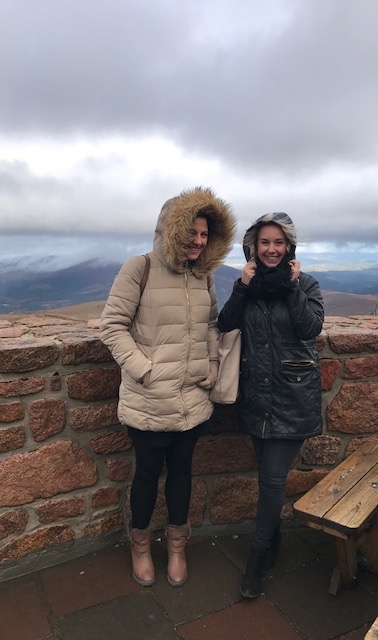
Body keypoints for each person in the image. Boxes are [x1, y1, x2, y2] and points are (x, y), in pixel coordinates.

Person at [100, 186, 236, 588]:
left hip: (193, 399)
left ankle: (176, 545)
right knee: (146, 475)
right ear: (170, 230)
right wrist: (145, 370)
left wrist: (211, 367)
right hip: (148, 400)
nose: (197, 241)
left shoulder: (204, 276)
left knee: (181, 473)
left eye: (204, 234)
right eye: (191, 232)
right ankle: (140, 544)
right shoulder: (138, 268)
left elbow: (211, 326)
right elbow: (112, 326)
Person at [217, 212, 324, 598]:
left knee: (272, 480)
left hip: (294, 400)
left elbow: (310, 328)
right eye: (265, 242)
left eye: (279, 243)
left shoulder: (307, 284)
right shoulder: (247, 284)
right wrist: (242, 288)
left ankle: (256, 560)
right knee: (268, 477)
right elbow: (225, 323)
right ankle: (274, 540)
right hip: (256, 400)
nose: (272, 249)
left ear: (289, 247)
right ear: (253, 247)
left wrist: (293, 287)